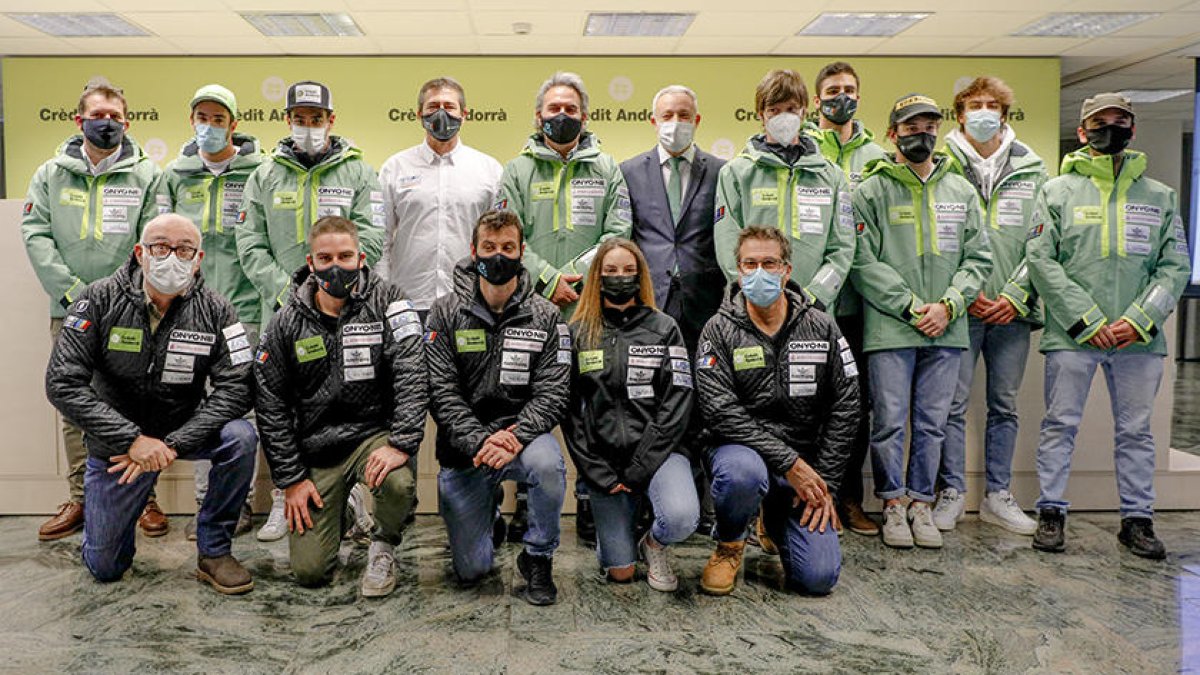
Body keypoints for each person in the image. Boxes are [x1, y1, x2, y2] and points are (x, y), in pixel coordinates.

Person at [44, 214, 257, 594]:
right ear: (140, 253)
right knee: (105, 566)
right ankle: (109, 522)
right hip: (117, 445)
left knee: (240, 437)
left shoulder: (217, 309)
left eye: (183, 249)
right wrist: (132, 440)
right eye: (160, 246)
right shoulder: (96, 299)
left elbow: (237, 388)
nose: (171, 257)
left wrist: (172, 444)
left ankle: (214, 551)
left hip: (183, 429)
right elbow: (62, 383)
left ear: (198, 258)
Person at [1027, 93, 1190, 559]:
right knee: (1060, 424)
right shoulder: (1056, 191)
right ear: (1083, 131)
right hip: (1073, 335)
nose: (1110, 128)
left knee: (1137, 432)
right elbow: (1041, 259)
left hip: (1137, 341)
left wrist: (1139, 320)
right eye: (1100, 122)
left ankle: (1138, 520)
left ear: (1132, 130)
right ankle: (1052, 512)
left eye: (1121, 121)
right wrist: (1086, 319)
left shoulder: (1160, 196)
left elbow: (1174, 267)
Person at [22, 77, 166, 541]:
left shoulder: (148, 175)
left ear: (127, 121)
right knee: (74, 402)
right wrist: (72, 293)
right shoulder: (49, 173)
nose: (106, 123)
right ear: (78, 119)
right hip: (69, 309)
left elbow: (152, 239)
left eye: (114, 117)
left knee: (136, 399)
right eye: (97, 115)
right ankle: (82, 498)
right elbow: (37, 236)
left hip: (131, 307)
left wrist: (124, 295)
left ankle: (143, 497)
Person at [254, 216, 426, 596]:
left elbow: (413, 373)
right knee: (309, 572)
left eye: (345, 256)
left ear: (361, 258)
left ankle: (383, 546)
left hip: (372, 436)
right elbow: (270, 404)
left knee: (398, 482)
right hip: (316, 447)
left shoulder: (391, 303)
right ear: (310, 262)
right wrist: (291, 479)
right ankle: (343, 510)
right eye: (325, 257)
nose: (336, 266)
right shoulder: (285, 321)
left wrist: (401, 443)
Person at [850, 93, 992, 550]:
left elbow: (979, 256)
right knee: (889, 420)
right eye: (911, 127)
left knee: (933, 423)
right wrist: (911, 306)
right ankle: (891, 502)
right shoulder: (871, 189)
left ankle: (920, 503)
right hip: (891, 328)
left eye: (929, 126)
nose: (921, 134)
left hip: (947, 328)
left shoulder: (960, 190)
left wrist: (949, 304)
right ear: (892, 134)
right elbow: (863, 262)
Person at [496, 71, 631, 545]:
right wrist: (549, 280)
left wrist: (577, 276)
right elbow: (507, 236)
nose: (561, 116)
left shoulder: (607, 169)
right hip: (528, 308)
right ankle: (527, 504)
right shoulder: (515, 171)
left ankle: (592, 504)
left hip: (589, 309)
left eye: (570, 109)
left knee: (592, 407)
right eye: (553, 108)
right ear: (539, 116)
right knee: (525, 405)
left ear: (584, 116)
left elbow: (617, 233)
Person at [695, 226, 858, 596]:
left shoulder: (821, 326)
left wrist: (825, 484)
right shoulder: (717, 330)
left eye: (769, 263)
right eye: (749, 264)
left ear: (787, 270)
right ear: (738, 270)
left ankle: (773, 515)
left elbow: (846, 404)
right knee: (742, 474)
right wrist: (789, 462)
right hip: (741, 453)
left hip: (804, 464)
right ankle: (730, 545)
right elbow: (719, 412)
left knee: (818, 579)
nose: (759, 272)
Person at [425, 210, 570, 606]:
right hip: (465, 448)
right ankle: (488, 517)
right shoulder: (444, 312)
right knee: (471, 571)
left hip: (522, 439)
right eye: (489, 248)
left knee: (548, 466)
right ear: (473, 252)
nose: (498, 256)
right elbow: (442, 392)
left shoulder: (547, 315)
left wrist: (514, 436)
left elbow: (553, 393)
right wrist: (481, 440)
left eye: (508, 247)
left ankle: (537, 557)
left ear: (522, 252)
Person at [159, 84, 271, 542]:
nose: (209, 126)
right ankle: (211, 503)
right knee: (198, 407)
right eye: (202, 117)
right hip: (190, 312)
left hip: (246, 309)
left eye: (219, 119)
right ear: (192, 121)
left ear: (234, 124)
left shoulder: (259, 172)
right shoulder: (175, 176)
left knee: (249, 407)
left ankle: (242, 501)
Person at [936, 77, 1048, 535]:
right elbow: (935, 243)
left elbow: (1041, 243)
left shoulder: (1033, 170)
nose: (983, 111)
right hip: (959, 310)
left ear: (1005, 114)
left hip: (1011, 312)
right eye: (973, 105)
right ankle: (951, 493)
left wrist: (1014, 295)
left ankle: (998, 495)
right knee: (951, 405)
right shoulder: (941, 165)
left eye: (992, 105)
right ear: (959, 114)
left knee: (1004, 405)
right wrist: (964, 295)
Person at [619, 83, 725, 536]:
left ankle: (701, 504)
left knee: (702, 404)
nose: (675, 122)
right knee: (648, 400)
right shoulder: (629, 172)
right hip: (650, 305)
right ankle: (645, 498)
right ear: (652, 120)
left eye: (684, 114)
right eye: (666, 114)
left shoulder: (722, 172)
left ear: (697, 121)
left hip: (704, 304)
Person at [563, 238, 698, 591]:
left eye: (628, 270)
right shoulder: (578, 333)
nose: (619, 277)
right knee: (620, 574)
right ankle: (623, 534)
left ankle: (653, 543)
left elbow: (678, 400)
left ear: (640, 276)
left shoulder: (665, 328)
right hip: (604, 465)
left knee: (681, 518)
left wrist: (642, 465)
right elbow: (571, 413)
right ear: (597, 277)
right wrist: (597, 471)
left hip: (660, 455)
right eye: (610, 271)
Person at [806, 61, 889, 537]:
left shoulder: (879, 155)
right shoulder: (802, 149)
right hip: (808, 307)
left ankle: (848, 498)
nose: (842, 96)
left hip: (858, 306)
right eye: (833, 90)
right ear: (817, 101)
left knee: (853, 410)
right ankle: (807, 496)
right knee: (806, 407)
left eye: (850, 89)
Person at [237, 80, 385, 326]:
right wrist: (285, 291)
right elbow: (250, 241)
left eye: (316, 120)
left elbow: (371, 234)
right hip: (282, 306)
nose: (308, 127)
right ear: (288, 121)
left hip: (343, 303)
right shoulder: (264, 175)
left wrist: (340, 283)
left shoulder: (359, 173)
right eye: (300, 120)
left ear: (331, 121)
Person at [713, 69, 854, 316]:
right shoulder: (736, 173)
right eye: (774, 110)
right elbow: (727, 244)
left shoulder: (831, 175)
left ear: (804, 111)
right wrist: (752, 294)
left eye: (790, 109)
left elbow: (842, 248)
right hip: (753, 307)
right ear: (761, 115)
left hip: (815, 310)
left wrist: (816, 297)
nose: (783, 117)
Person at [378, 77, 503, 315]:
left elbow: (498, 241)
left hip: (471, 300)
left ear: (464, 114)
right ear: (419, 115)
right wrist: (382, 293)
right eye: (433, 106)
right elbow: (382, 237)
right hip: (408, 300)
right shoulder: (395, 168)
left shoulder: (489, 170)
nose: (442, 113)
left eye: (449, 106)